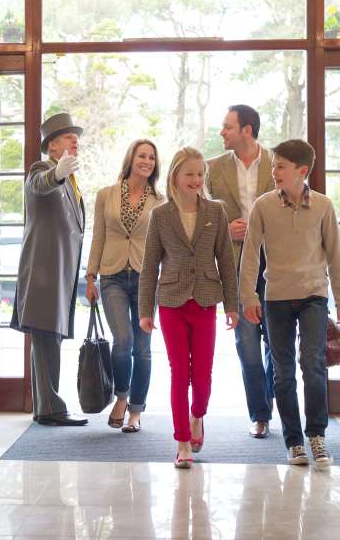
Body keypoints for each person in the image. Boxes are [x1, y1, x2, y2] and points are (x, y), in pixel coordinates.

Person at [239, 139, 340, 467]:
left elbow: (336, 255)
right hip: (275, 298)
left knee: (313, 365)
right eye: (274, 165)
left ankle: (316, 436)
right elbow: (250, 257)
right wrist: (248, 296)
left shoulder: (323, 206)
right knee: (283, 371)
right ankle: (293, 442)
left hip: (314, 297)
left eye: (281, 166)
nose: (274, 171)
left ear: (301, 171)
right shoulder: (263, 206)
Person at [138, 147, 239, 468]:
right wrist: (145, 310)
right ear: (175, 178)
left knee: (203, 375)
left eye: (200, 174)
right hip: (171, 302)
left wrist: (233, 305)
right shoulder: (161, 215)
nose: (196, 180)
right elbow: (149, 264)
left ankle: (198, 416)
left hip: (207, 300)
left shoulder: (216, 211)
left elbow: (225, 259)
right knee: (180, 372)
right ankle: (182, 440)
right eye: (189, 174)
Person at [11, 112, 88, 426]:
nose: (75, 141)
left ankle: (47, 405)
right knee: (45, 338)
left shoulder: (69, 180)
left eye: (75, 136)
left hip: (60, 273)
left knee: (49, 339)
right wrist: (57, 172)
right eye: (68, 136)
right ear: (53, 146)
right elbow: (40, 185)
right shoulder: (42, 169)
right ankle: (50, 409)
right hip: (43, 273)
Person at [85, 139, 165, 434]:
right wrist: (90, 276)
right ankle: (121, 396)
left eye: (152, 158)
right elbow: (98, 236)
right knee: (123, 340)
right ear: (130, 158)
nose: (146, 161)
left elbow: (164, 244)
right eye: (142, 155)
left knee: (142, 348)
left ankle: (136, 411)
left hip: (146, 278)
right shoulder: (105, 195)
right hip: (112, 276)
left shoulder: (160, 200)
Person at [206, 104, 276, 439]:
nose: (222, 132)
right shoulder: (212, 169)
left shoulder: (280, 163)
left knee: (277, 344)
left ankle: (271, 401)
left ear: (246, 130)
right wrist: (224, 228)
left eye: (227, 126)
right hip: (235, 265)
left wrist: (261, 228)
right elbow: (201, 217)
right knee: (247, 343)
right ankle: (260, 414)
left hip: (277, 265)